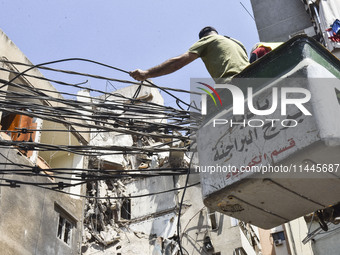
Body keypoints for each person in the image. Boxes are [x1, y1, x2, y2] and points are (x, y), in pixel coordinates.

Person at [130, 26, 249, 83]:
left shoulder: (208, 40)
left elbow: (178, 63)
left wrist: (146, 74)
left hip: (232, 83)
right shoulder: (237, 42)